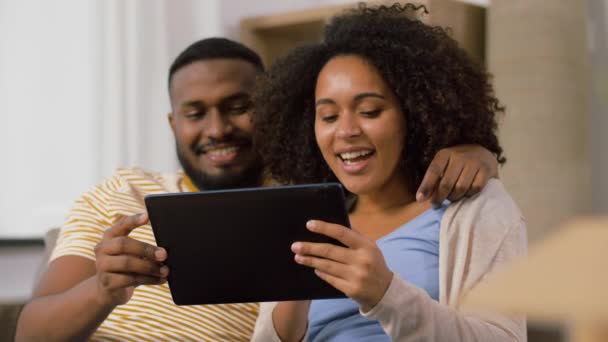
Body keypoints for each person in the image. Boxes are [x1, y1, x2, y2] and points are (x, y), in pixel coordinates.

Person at [15, 37, 500, 341]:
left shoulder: (313, 201)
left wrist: (474, 151)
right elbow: (30, 335)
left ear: (273, 107)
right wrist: (102, 289)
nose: (217, 128)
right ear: (172, 121)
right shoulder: (118, 192)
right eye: (194, 112)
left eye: (237, 105)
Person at [250, 4, 526, 342]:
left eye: (369, 110)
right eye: (329, 116)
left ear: (412, 113)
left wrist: (385, 293)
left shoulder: (474, 209)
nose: (347, 130)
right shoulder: (301, 221)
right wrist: (293, 289)